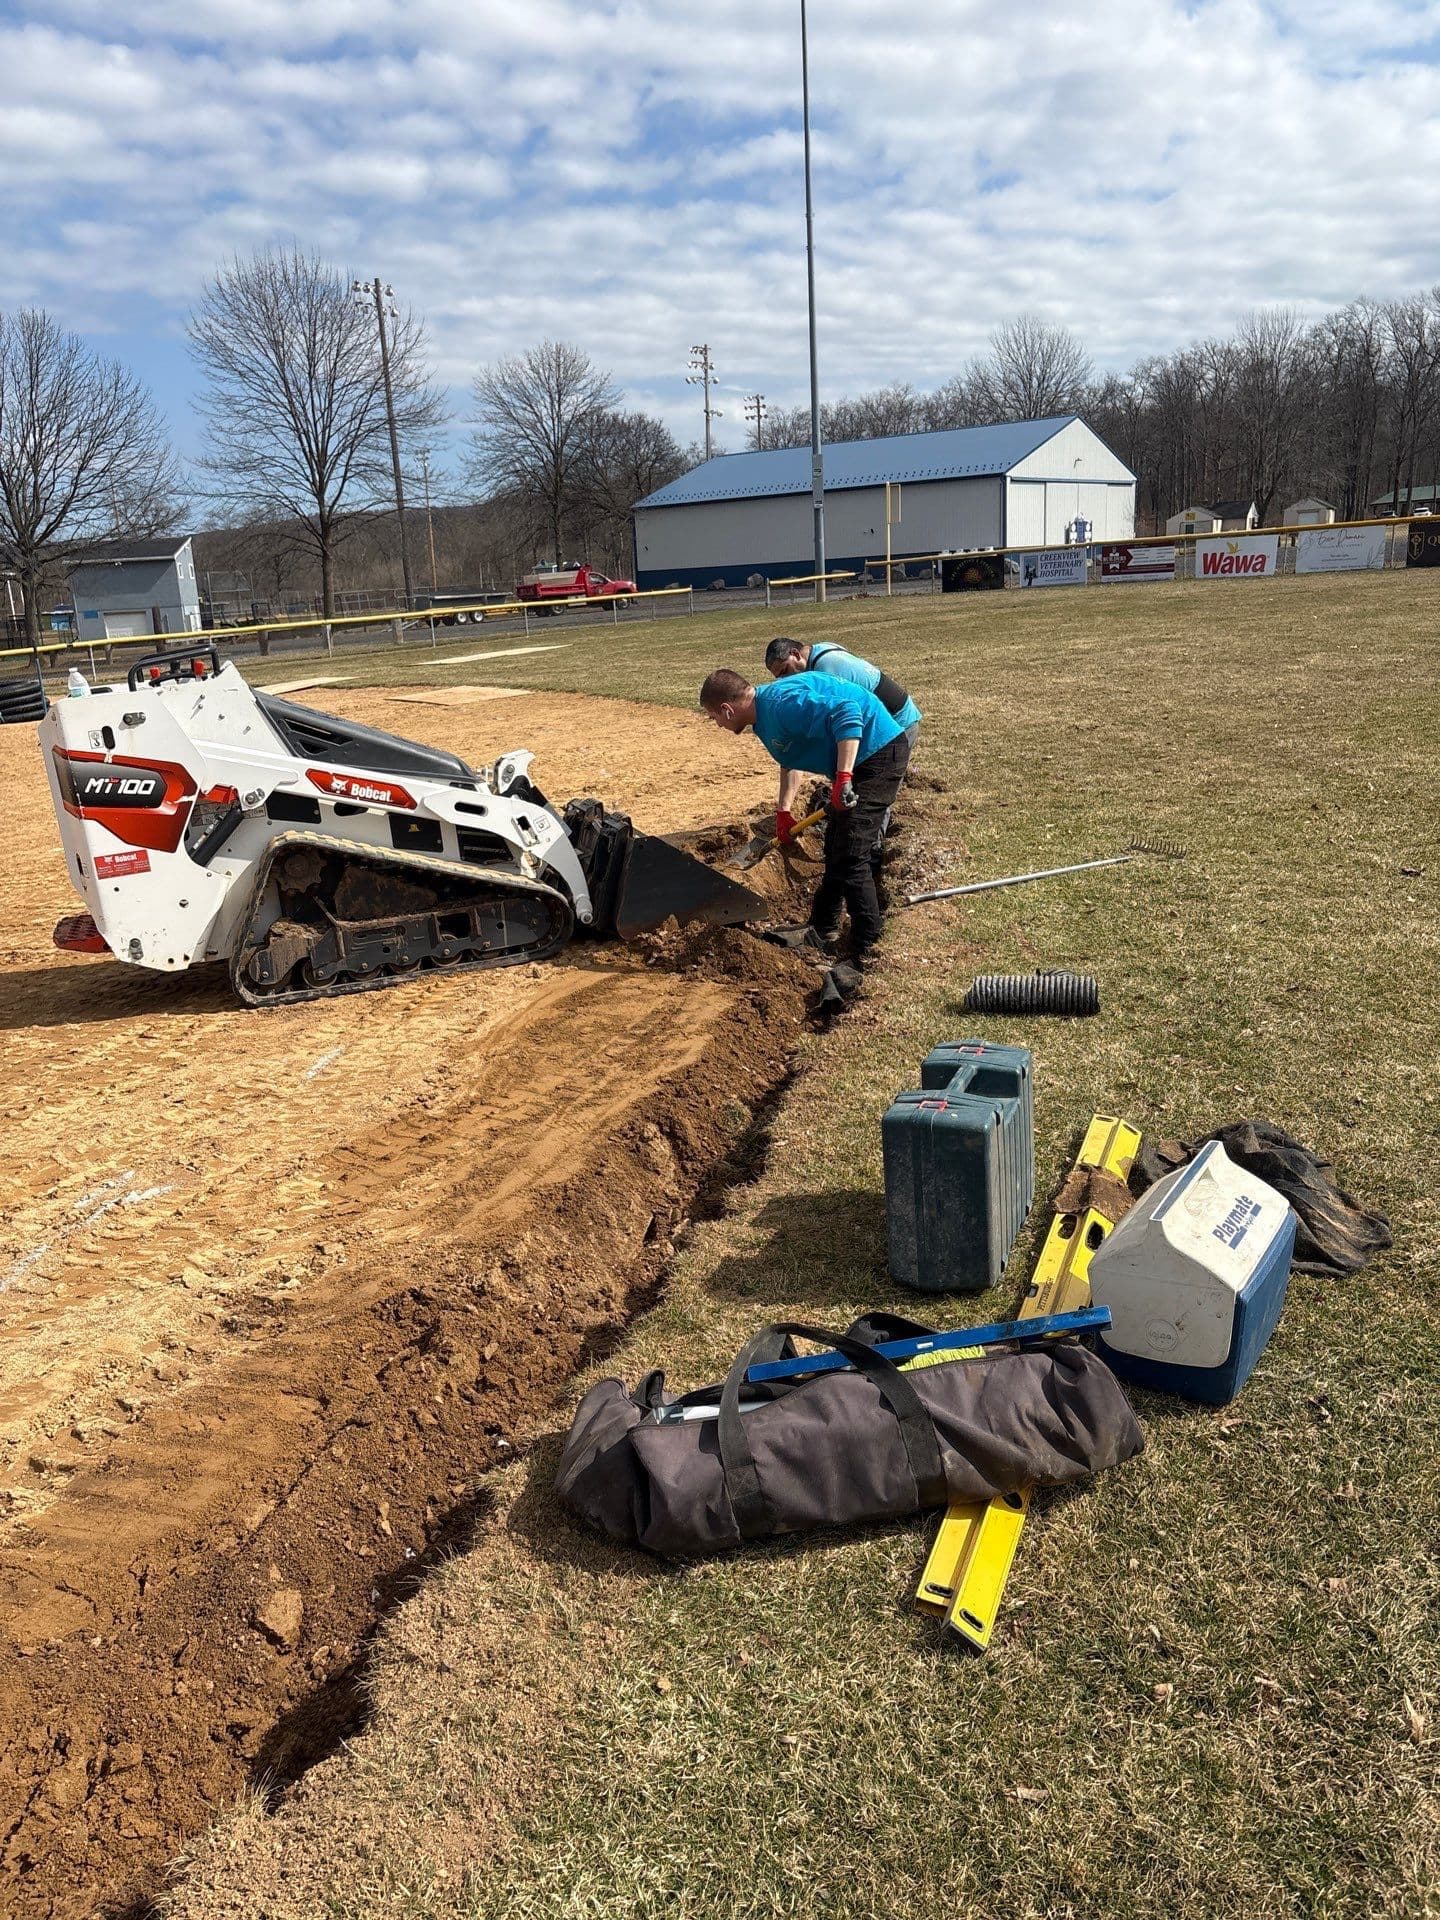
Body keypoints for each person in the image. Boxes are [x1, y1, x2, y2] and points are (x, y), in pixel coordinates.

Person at [699, 666, 909, 963]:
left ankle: (867, 949)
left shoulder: (781, 704)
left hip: (878, 754)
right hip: (860, 761)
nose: (717, 724)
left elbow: (848, 713)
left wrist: (844, 777)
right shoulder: (763, 717)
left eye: (714, 718)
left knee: (853, 855)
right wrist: (784, 811)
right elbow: (791, 759)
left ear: (727, 709)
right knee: (835, 847)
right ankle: (823, 928)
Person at [762, 635, 921, 748]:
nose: (785, 679)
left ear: (795, 654)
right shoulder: (821, 648)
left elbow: (842, 717)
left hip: (898, 722)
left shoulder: (826, 668)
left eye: (785, 670)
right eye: (780, 677)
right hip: (891, 715)